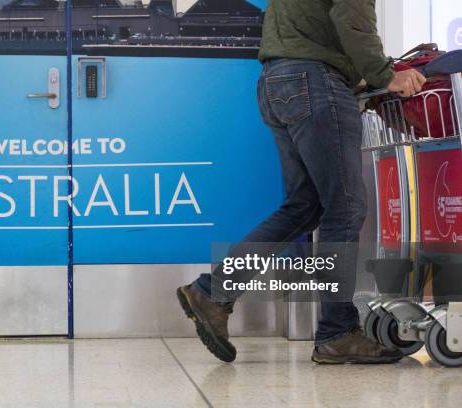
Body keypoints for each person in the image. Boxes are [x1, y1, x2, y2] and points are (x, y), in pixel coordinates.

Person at [177, 0, 426, 364]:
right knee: (345, 207)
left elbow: (310, 27)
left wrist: (356, 74)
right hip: (313, 82)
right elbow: (351, 19)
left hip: (278, 81)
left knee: (305, 206)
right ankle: (337, 333)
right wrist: (385, 74)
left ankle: (213, 292)